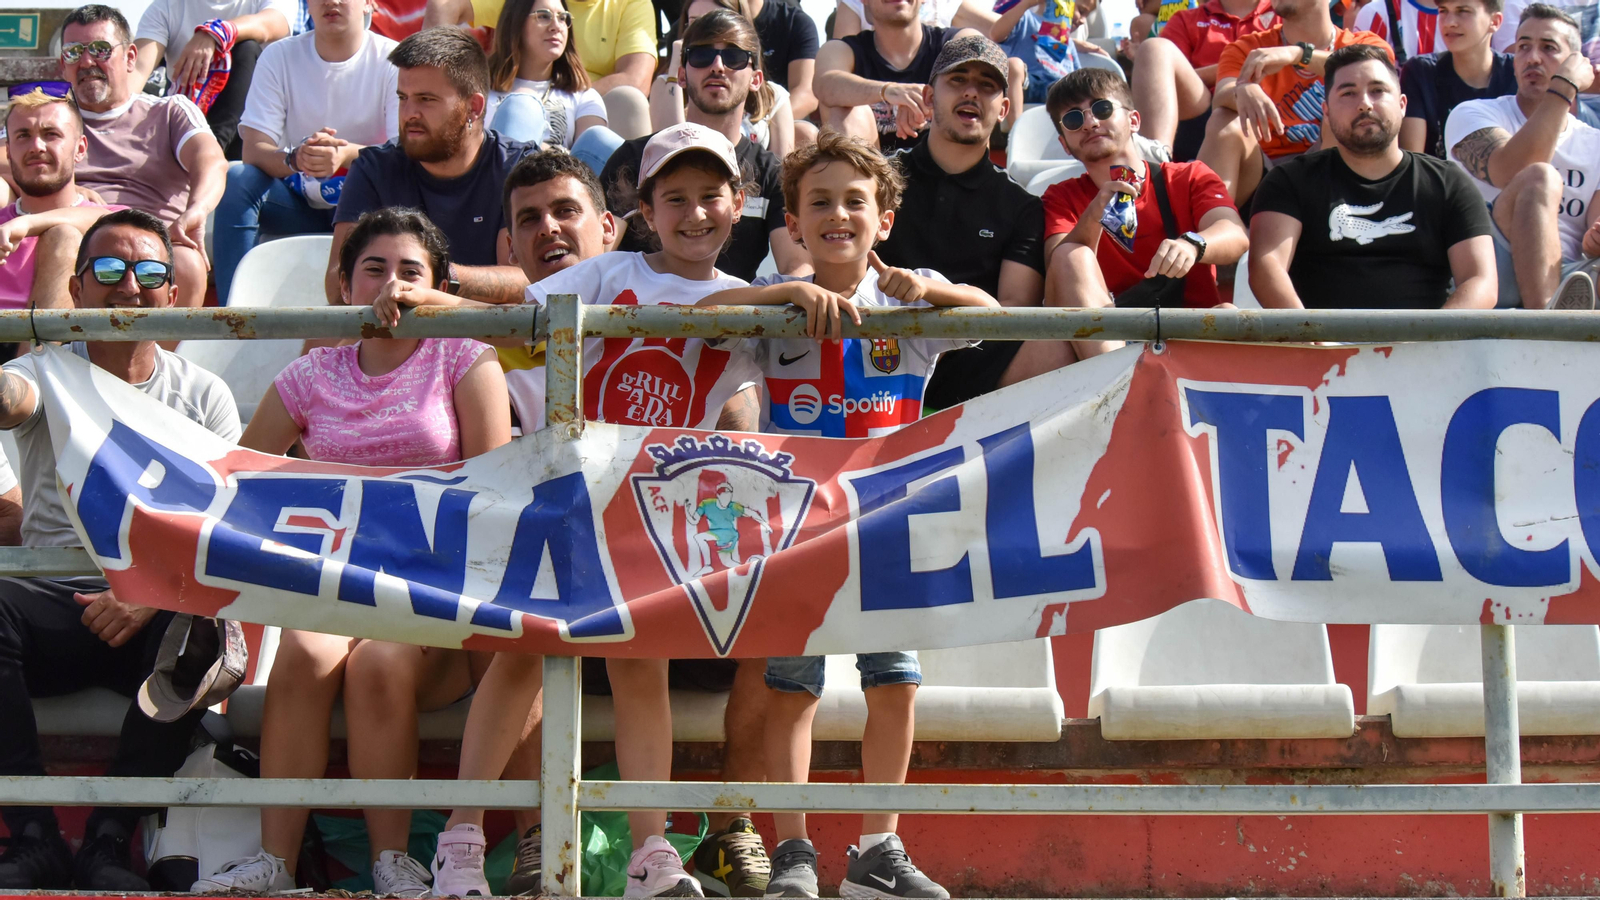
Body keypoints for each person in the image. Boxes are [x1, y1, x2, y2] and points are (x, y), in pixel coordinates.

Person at [373, 144, 778, 900]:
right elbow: (512, 318)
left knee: (640, 669)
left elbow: (763, 385)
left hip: (645, 518)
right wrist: (423, 299)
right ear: (642, 214)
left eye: (710, 195)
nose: (694, 214)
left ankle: (651, 854)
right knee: (521, 656)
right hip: (562, 504)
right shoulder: (606, 275)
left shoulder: (756, 300)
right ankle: (460, 843)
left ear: (739, 200)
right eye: (675, 198)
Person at [693, 131, 994, 900]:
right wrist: (784, 292)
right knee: (793, 689)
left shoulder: (906, 292)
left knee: (894, 683)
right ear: (791, 221)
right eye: (818, 203)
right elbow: (700, 312)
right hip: (799, 526)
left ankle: (877, 851)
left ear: (883, 218)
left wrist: (930, 296)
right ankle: (794, 848)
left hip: (892, 522)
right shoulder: (778, 300)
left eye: (854, 202)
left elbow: (993, 311)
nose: (837, 215)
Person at [190, 207, 511, 898]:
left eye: (411, 271)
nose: (392, 283)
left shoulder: (465, 357)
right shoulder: (312, 373)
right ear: (343, 282)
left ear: (437, 286)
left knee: (380, 665)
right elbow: (243, 481)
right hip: (335, 590)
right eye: (375, 267)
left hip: (433, 599)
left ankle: (391, 861)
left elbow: (496, 488)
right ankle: (274, 859)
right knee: (303, 652)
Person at [0, 208, 241, 892]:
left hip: (154, 609)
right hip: (52, 600)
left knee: (204, 632)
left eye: (149, 272)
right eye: (107, 270)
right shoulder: (44, 371)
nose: (128, 286)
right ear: (76, 291)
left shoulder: (204, 394)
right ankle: (33, 835)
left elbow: (220, 531)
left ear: (173, 292)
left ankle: (110, 839)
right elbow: (10, 400)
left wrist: (145, 592)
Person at [870, 36, 1049, 410]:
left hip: (972, 363)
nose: (971, 92)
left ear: (1003, 109)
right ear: (929, 97)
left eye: (987, 86)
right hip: (874, 351)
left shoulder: (1022, 205)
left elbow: (1011, 314)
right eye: (958, 79)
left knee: (1061, 350)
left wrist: (929, 292)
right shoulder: (875, 179)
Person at [1250, 44, 1497, 307]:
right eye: (1348, 93)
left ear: (1402, 105)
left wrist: (1428, 344)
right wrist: (1312, 339)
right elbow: (1266, 266)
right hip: (1319, 344)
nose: (1364, 104)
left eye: (1378, 91)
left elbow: (1480, 281)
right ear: (1326, 112)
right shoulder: (1289, 181)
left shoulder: (1448, 183)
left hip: (1425, 344)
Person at [1040, 68, 1248, 361]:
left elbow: (1234, 234)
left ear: (1134, 120)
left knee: (1227, 315)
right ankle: (1117, 382)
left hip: (1186, 329)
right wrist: (1095, 211)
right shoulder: (1060, 196)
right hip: (1109, 335)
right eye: (1073, 119)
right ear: (1065, 145)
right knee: (1070, 254)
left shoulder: (1188, 176)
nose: (1089, 122)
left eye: (1102, 108)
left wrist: (1192, 244)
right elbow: (1058, 264)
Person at [331, 27, 536, 306]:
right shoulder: (373, 168)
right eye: (403, 98)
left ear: (474, 107)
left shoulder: (517, 168)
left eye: (426, 99)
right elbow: (338, 283)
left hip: (491, 338)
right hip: (392, 331)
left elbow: (526, 280)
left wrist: (430, 281)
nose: (409, 114)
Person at [213, 0, 400, 305]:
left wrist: (346, 154)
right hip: (298, 203)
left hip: (370, 209)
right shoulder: (279, 56)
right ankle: (231, 316)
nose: (331, 2)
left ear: (369, 3)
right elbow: (254, 151)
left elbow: (404, 155)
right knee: (236, 178)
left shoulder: (394, 59)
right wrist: (295, 159)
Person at [603, 9, 809, 281]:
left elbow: (797, 268)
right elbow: (597, 254)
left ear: (756, 80)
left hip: (734, 320)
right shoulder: (633, 157)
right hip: (632, 317)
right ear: (682, 76)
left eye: (734, 57)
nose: (718, 66)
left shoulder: (772, 173)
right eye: (701, 55)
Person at [59, 4, 227, 309]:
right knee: (59, 244)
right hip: (74, 241)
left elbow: (211, 160)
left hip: (152, 245)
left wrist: (198, 209)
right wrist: (68, 190)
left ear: (130, 58)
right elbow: (9, 157)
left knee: (187, 264)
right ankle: (43, 355)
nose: (86, 62)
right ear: (62, 64)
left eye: (100, 50)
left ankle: (158, 358)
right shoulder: (49, 119)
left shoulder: (169, 110)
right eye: (73, 52)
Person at [1445, 4, 1600, 308]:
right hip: (1490, 267)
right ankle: (1547, 322)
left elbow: (1592, 232)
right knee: (1540, 177)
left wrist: (1594, 239)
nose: (1532, 58)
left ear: (1576, 63)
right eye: (1523, 47)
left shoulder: (1595, 142)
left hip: (1572, 277)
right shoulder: (1473, 113)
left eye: (1548, 48)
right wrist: (1564, 87)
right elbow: (1512, 170)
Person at [1196, 0, 1390, 204]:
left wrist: (1298, 54)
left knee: (1339, 113)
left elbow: (1367, 69)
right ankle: (1214, 222)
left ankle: (1331, 215)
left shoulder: (1366, 44)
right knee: (1223, 118)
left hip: (1328, 172)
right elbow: (1222, 94)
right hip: (1260, 171)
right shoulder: (1249, 49)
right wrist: (1243, 88)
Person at [0, 88, 122, 312]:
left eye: (51, 134)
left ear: (80, 148)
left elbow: (121, 222)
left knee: (63, 235)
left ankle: (37, 349)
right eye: (23, 136)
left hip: (67, 343)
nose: (36, 146)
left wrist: (27, 224)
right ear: (8, 151)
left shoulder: (111, 218)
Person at [132, 0, 297, 158]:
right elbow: (137, 70)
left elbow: (270, 24)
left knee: (247, 48)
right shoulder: (166, 7)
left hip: (252, 136)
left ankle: (210, 153)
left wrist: (216, 33)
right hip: (188, 126)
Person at [483, 0, 626, 172]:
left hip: (566, 186)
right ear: (516, 23)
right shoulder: (481, 89)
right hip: (503, 188)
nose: (556, 26)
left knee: (599, 138)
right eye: (543, 16)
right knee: (520, 108)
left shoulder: (583, 95)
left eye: (563, 18)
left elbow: (590, 160)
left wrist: (542, 151)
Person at [814, 0, 975, 151]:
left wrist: (926, 101)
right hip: (873, 174)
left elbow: (987, 86)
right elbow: (825, 84)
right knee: (846, 113)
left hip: (947, 173)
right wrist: (889, 92)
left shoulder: (958, 41)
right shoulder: (841, 50)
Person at [653, 0, 797, 157]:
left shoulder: (774, 95)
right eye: (695, 22)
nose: (708, 28)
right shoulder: (666, 83)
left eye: (717, 17)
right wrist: (677, 66)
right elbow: (669, 151)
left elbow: (780, 173)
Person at [1130, 0, 1273, 156]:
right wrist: (1244, 68)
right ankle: (1154, 162)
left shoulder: (1286, 11)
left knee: (1227, 120)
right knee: (1154, 48)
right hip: (1203, 114)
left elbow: (1297, 57)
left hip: (1273, 118)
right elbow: (1164, 75)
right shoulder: (1186, 20)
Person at [1397, 0, 1513, 156]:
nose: (1449, 23)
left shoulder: (1517, 72)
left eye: (1463, 11)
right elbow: (1414, 163)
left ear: (1495, 21)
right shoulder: (1421, 72)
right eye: (1443, 11)